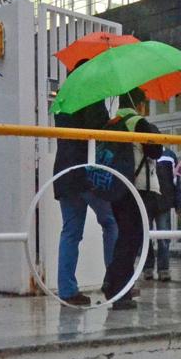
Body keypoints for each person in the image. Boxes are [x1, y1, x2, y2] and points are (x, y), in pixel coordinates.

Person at [53, 63, 119, 306]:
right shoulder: (90, 95)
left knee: (71, 231)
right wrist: (111, 121)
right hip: (88, 173)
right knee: (111, 223)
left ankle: (67, 290)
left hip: (64, 173)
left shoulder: (63, 98)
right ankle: (115, 281)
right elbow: (99, 128)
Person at [100, 89, 163, 308]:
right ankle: (117, 289)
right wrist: (152, 129)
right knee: (131, 240)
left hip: (117, 187)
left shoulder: (112, 122)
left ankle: (114, 283)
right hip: (139, 189)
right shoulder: (138, 122)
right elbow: (156, 151)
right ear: (140, 104)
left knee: (123, 238)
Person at [143, 148, 181, 282]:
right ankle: (147, 268)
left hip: (164, 203)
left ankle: (163, 269)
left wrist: (178, 204)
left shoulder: (170, 156)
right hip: (145, 202)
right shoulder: (141, 152)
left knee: (164, 237)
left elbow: (176, 181)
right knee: (145, 237)